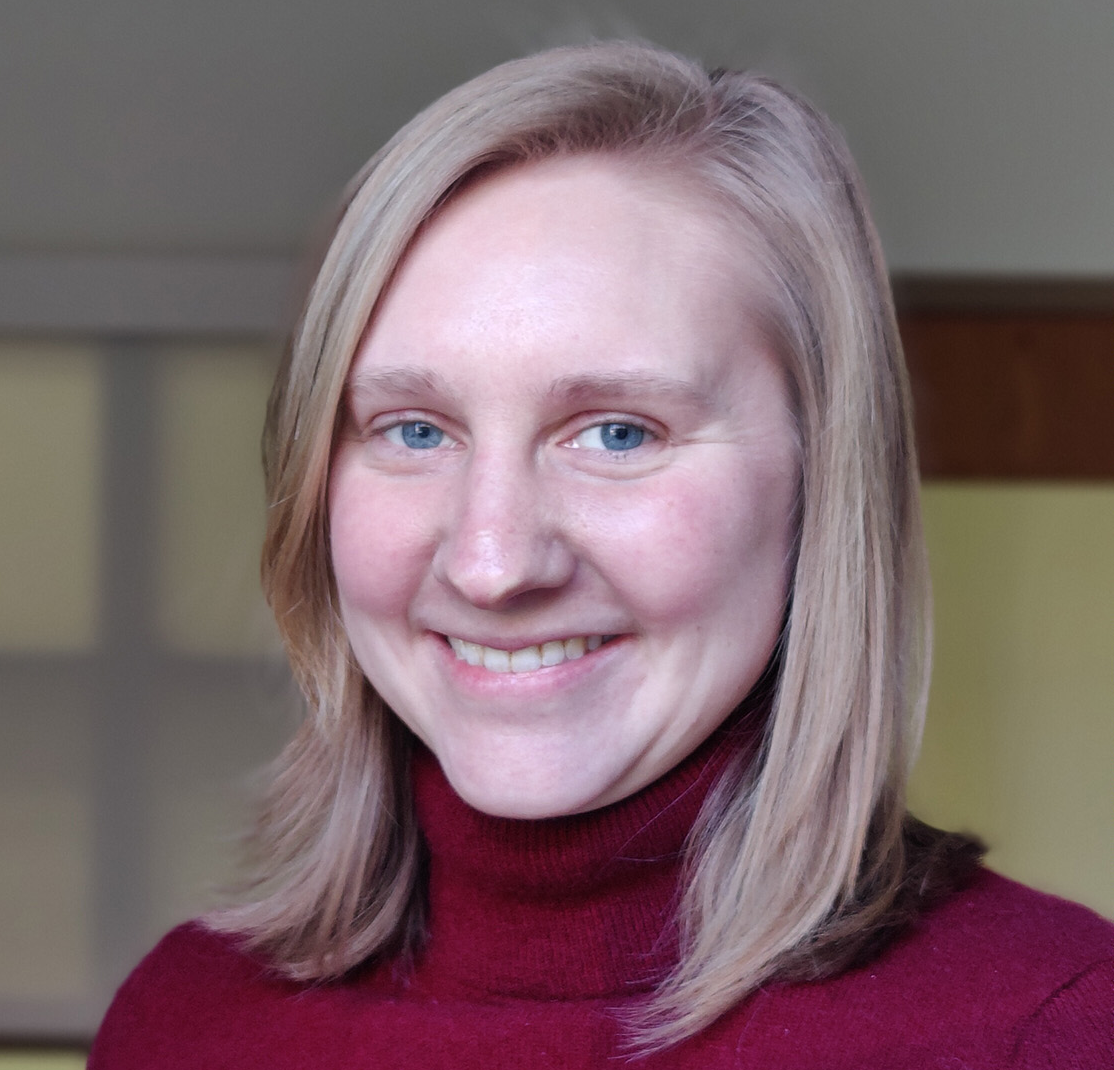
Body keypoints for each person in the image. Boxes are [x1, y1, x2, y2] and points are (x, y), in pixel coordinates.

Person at [89, 40, 1114, 1067]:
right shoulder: (181, 1023)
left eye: (618, 431)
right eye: (413, 428)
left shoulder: (1053, 1028)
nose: (492, 564)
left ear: (820, 480)